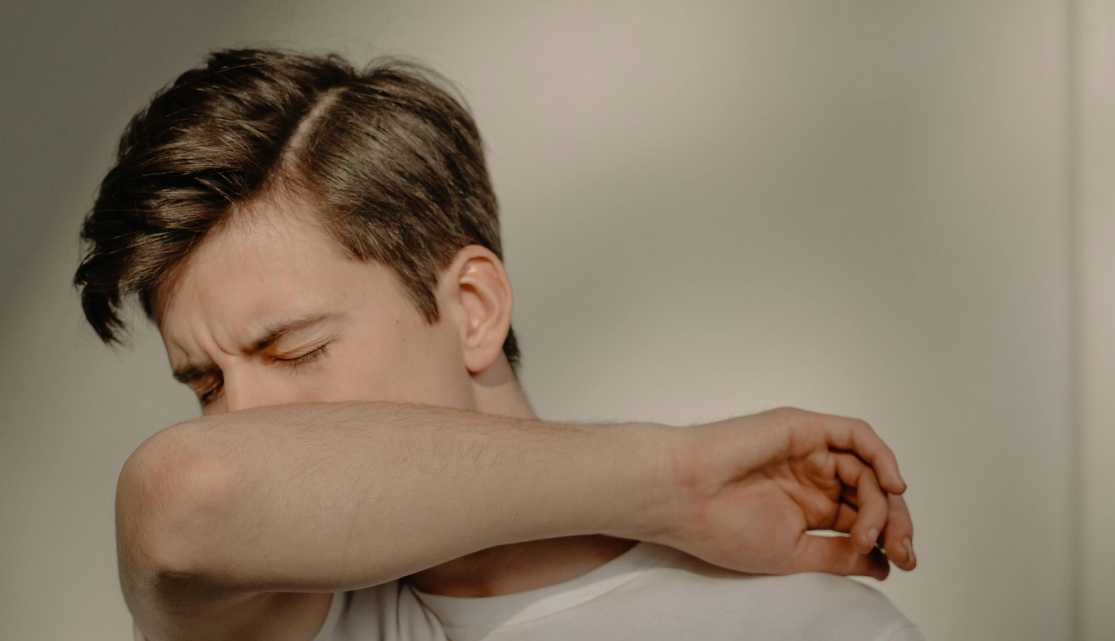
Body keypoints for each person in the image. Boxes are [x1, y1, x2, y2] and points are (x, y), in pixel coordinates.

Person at [74, 48, 921, 641]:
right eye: (206, 385)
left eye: (293, 351)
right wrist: (674, 478)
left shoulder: (804, 625)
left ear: (474, 308)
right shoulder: (280, 615)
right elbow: (186, 495)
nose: (237, 421)